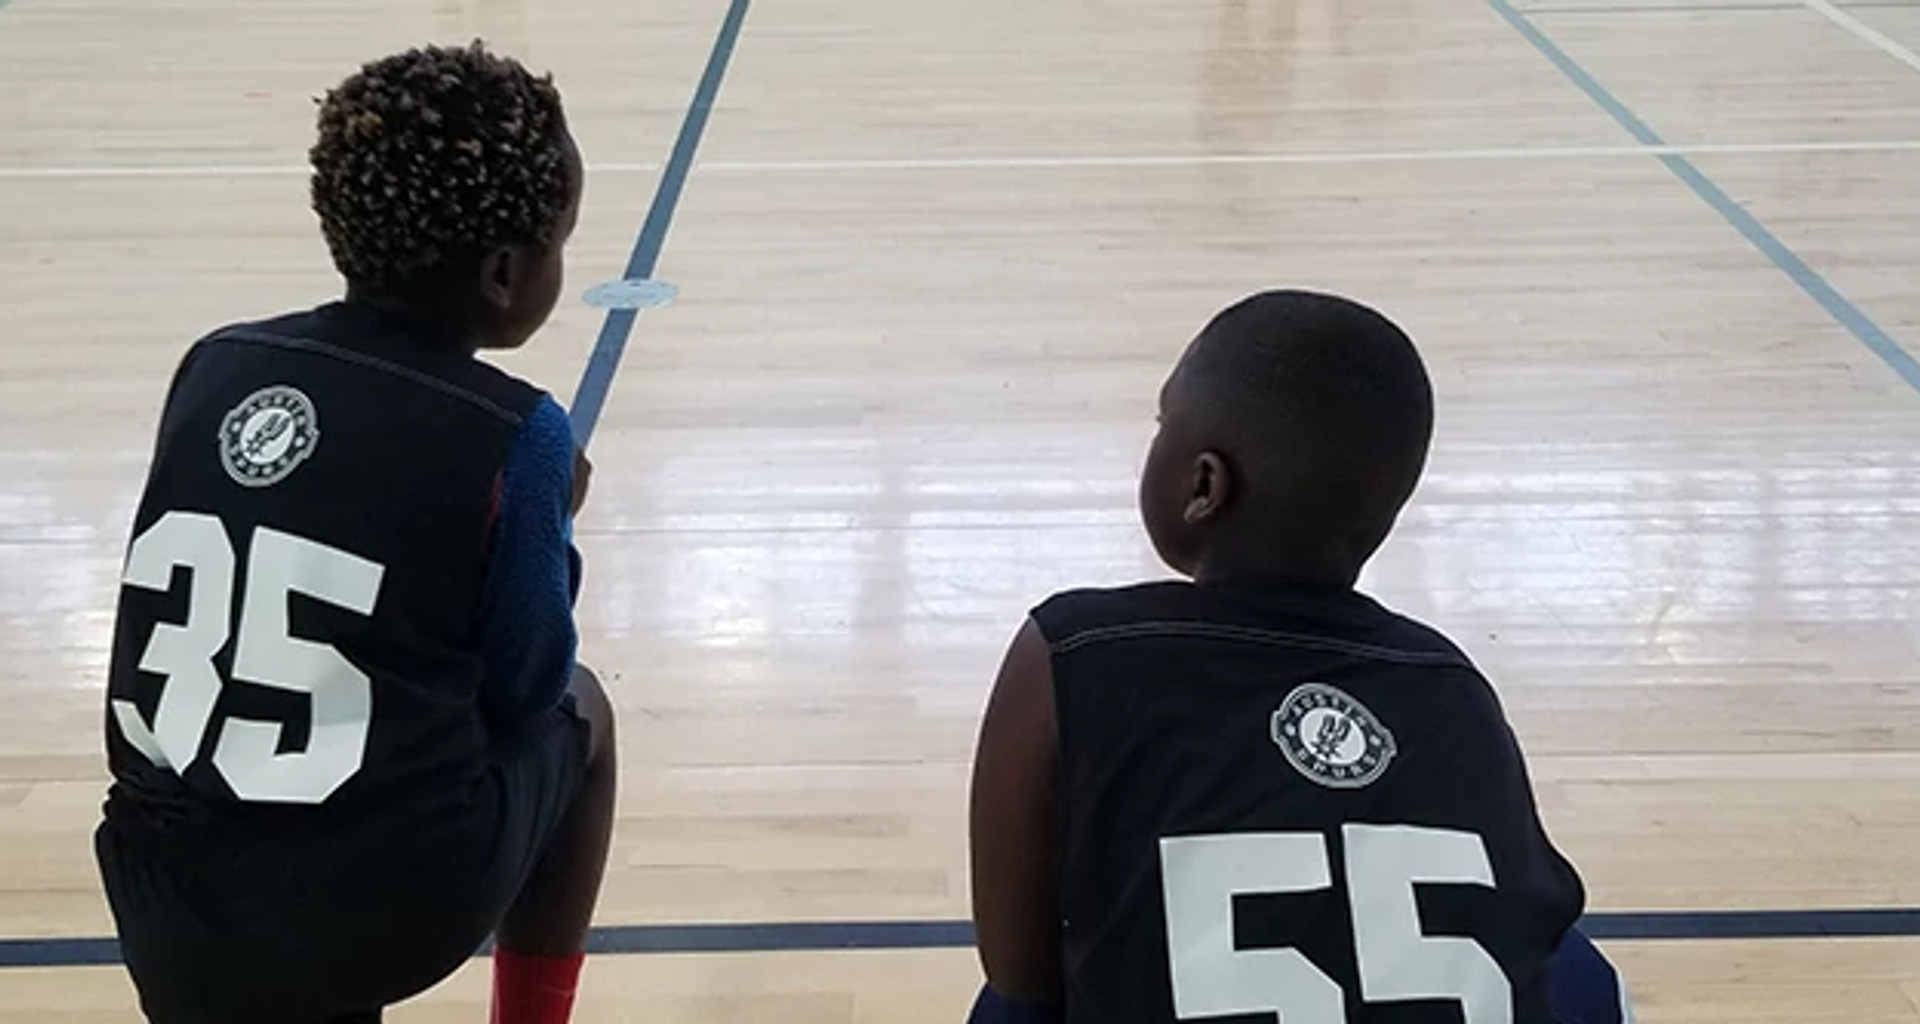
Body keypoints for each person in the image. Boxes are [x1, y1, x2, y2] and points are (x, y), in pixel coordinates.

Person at [94, 42, 615, 1024]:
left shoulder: (218, 363)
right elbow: (530, 682)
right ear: (506, 272)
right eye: (561, 242)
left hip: (160, 892)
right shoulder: (520, 435)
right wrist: (544, 521)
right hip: (380, 910)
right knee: (584, 718)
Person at [966, 290, 1633, 1024]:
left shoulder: (1073, 647)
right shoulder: (1450, 682)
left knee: (1009, 1013)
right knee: (1576, 969)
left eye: (1163, 424)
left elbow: (1021, 972)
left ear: (1202, 485)